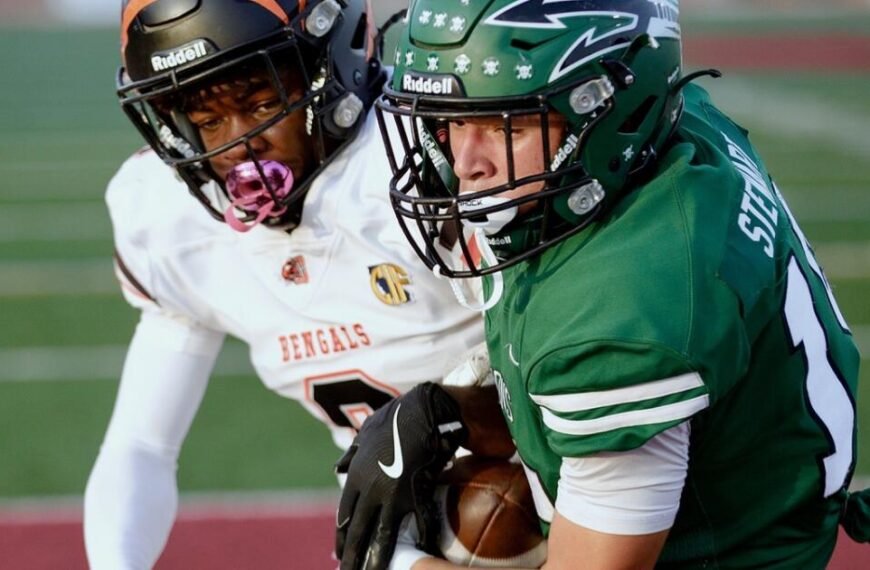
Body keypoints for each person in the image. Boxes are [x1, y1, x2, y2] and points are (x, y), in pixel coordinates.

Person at [335, 1, 870, 569]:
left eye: (504, 124)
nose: (466, 163)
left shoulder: (623, 315)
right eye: (450, 121)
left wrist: (399, 564)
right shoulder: (663, 139)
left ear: (605, 109)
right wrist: (450, 412)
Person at [83, 1, 488, 568]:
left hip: (547, 480)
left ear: (332, 60)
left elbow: (569, 363)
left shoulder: (428, 159)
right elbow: (142, 446)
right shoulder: (169, 220)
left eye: (262, 101)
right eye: (206, 121)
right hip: (393, 527)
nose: (236, 147)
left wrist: (455, 413)